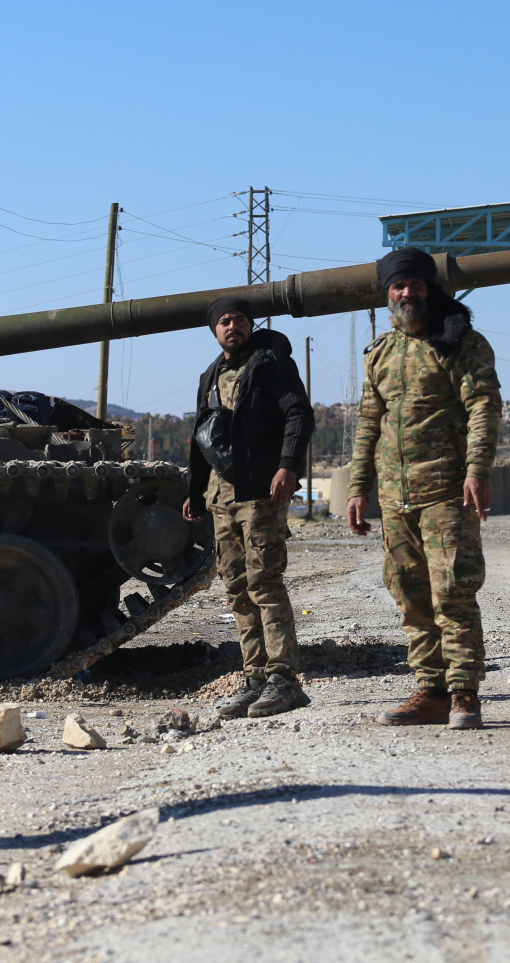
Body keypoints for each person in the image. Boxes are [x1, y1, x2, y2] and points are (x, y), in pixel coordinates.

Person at [347, 248, 500, 730]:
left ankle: (464, 693)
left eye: (415, 284)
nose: (407, 292)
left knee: (452, 591)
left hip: (447, 491)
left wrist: (477, 470)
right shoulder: (380, 353)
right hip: (396, 499)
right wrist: (358, 488)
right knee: (410, 596)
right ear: (388, 294)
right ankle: (431, 691)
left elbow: (483, 406)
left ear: (429, 288)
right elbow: (368, 422)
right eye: (399, 286)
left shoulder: (459, 343)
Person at [183, 295, 315, 719]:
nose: (232, 326)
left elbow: (298, 414)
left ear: (250, 324)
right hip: (221, 497)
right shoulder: (210, 374)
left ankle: (284, 679)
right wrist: (195, 491)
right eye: (224, 321)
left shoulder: (270, 363)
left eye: (239, 319)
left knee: (265, 584)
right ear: (214, 330)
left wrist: (288, 465)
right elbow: (203, 434)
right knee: (237, 588)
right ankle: (256, 677)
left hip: (261, 492)